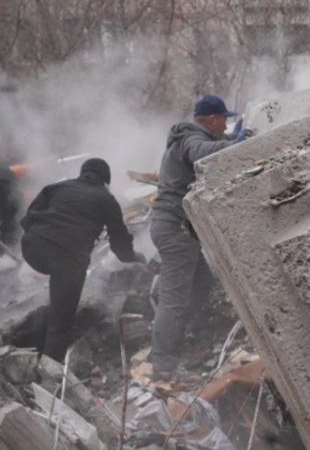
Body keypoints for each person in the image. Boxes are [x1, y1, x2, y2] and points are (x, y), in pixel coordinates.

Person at [150, 95, 242, 379]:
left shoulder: (185, 137)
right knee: (173, 299)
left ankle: (178, 335)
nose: (226, 125)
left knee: (202, 282)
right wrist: (233, 145)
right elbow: (202, 153)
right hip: (176, 228)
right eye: (224, 119)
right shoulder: (191, 137)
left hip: (174, 226)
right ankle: (164, 365)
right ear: (211, 119)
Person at [19, 158, 143, 362]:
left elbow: (27, 220)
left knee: (56, 272)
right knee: (60, 323)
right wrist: (135, 257)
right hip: (67, 259)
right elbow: (120, 246)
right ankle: (51, 376)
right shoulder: (106, 199)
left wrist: (40, 240)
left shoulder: (56, 187)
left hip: (32, 249)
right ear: (106, 181)